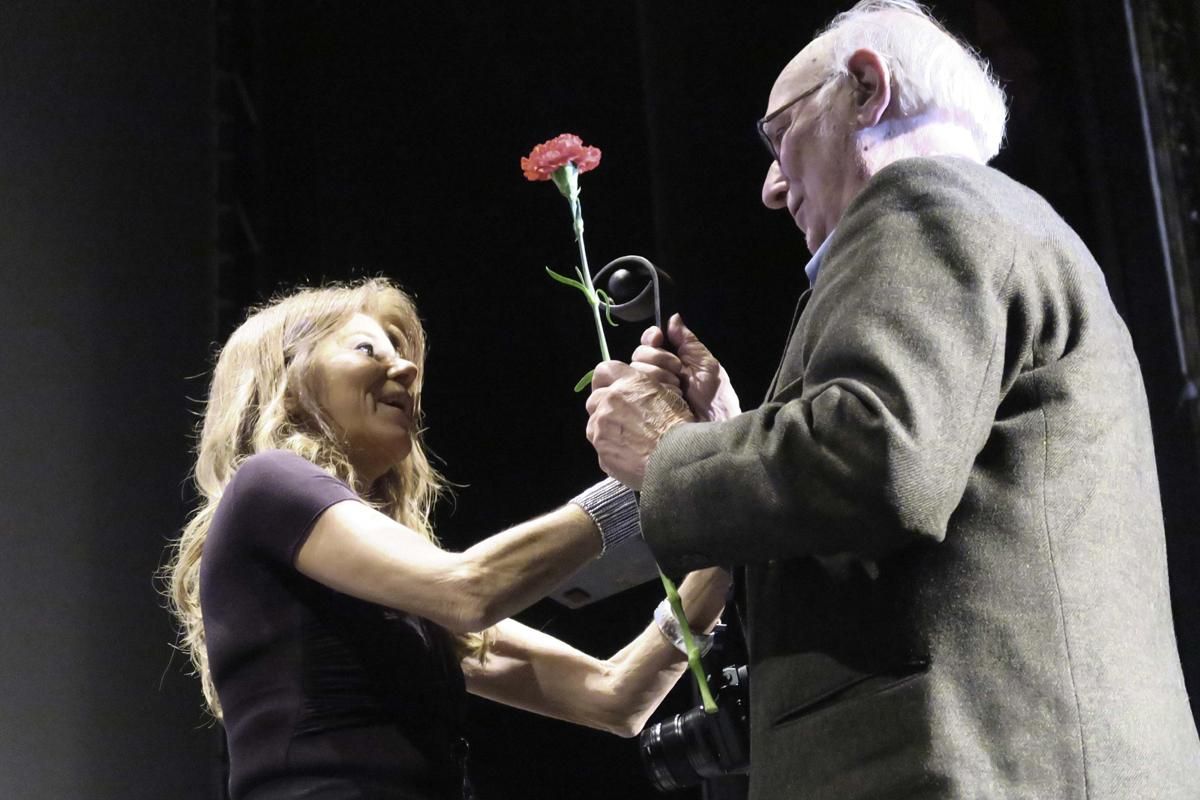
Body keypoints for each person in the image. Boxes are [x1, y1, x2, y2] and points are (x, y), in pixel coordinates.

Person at [583, 1, 1200, 797]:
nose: (772, 186)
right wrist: (736, 433)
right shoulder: (1006, 224)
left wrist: (669, 450)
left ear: (867, 90)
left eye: (781, 136)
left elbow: (880, 458)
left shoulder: (923, 206)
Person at [164, 277, 729, 800]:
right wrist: (652, 470)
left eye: (402, 354)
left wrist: (730, 533)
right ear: (286, 379)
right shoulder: (268, 483)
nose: (407, 370)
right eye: (367, 349)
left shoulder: (402, 599)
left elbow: (614, 696)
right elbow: (471, 588)